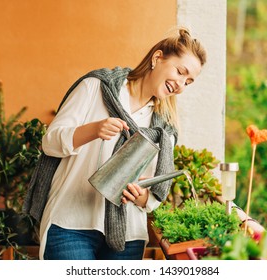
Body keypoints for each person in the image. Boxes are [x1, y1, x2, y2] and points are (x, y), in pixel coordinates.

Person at [32, 27, 206, 260]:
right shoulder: (97, 87)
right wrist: (93, 130)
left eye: (189, 82)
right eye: (180, 72)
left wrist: (140, 196)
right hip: (70, 225)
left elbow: (152, 198)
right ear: (157, 58)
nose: (181, 85)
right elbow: (50, 143)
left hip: (127, 236)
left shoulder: (164, 128)